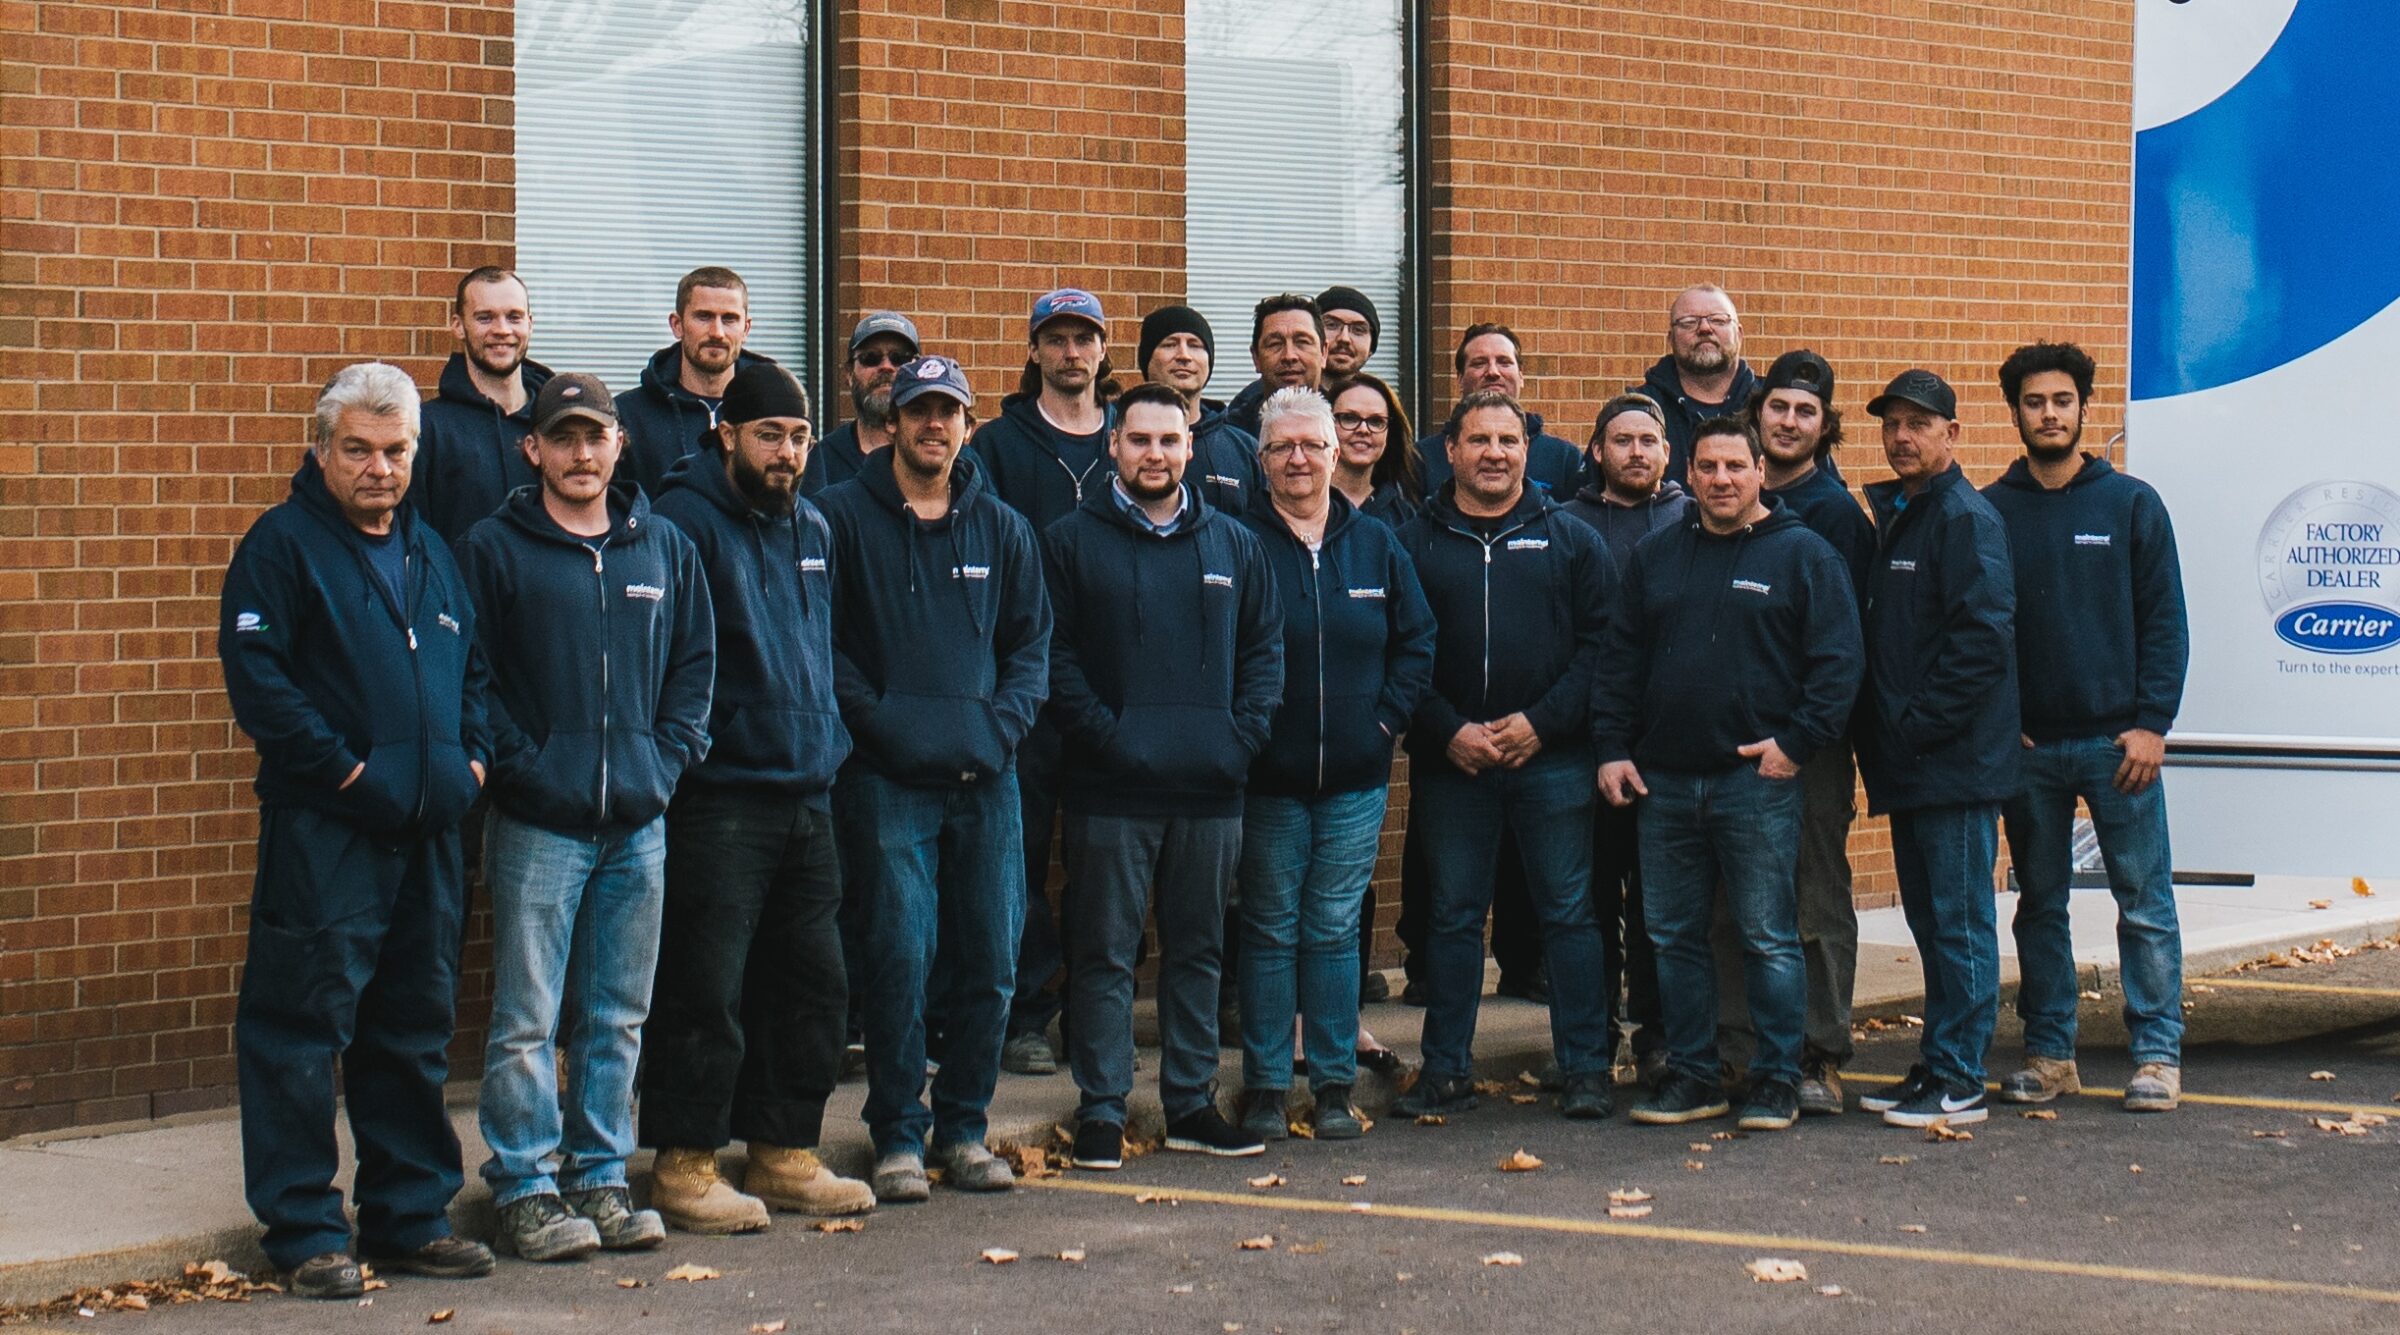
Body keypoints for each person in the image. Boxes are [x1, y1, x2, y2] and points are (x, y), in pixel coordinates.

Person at [219, 362, 495, 1298]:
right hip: (325, 832)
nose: (380, 468)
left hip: (429, 834)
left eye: (396, 450)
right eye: (360, 451)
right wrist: (346, 769)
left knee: (412, 1028)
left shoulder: (432, 553)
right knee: (300, 1029)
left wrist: (474, 764)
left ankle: (409, 1215)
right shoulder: (280, 547)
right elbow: (262, 684)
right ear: (321, 449)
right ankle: (302, 1230)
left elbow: (477, 676)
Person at [457, 373, 714, 1261]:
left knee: (617, 1012)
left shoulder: (663, 548)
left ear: (618, 444)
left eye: (593, 436)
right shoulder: (494, 548)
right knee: (528, 1015)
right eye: (559, 438)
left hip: (638, 820)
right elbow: (473, 677)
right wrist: (523, 770)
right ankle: (525, 1186)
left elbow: (694, 666)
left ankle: (601, 1175)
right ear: (532, 449)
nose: (579, 454)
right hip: (540, 823)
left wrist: (668, 757)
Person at [816, 354, 1054, 1200]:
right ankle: (897, 1137)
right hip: (886, 781)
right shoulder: (839, 518)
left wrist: (1001, 729)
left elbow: (1031, 649)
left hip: (987, 777)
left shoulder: (1004, 528)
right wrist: (880, 725)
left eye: (949, 412)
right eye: (919, 411)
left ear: (966, 423)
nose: (934, 426)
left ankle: (964, 1127)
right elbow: (828, 649)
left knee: (990, 957)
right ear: (894, 420)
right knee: (898, 958)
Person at [643, 362, 874, 1229]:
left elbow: (825, 645)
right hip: (721, 796)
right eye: (769, 434)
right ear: (726, 435)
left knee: (812, 985)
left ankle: (784, 1151)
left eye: (800, 435)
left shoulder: (813, 524)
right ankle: (685, 1163)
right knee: (705, 988)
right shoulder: (681, 524)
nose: (786, 451)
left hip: (809, 786)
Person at [1595, 417, 1863, 1131]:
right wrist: (1614, 747)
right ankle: (1694, 1073)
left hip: (1758, 784)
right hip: (1666, 784)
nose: (1721, 480)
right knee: (1674, 936)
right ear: (1691, 470)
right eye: (1708, 467)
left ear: (1760, 472)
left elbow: (1839, 663)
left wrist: (1797, 744)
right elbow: (1620, 660)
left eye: (1735, 467)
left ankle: (1777, 1076)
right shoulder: (1657, 555)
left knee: (1767, 935)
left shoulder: (1804, 553)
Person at [1043, 382, 1285, 1168]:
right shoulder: (1070, 540)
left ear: (1191, 447)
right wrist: (1110, 739)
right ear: (1113, 445)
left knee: (1198, 950)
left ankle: (1189, 1103)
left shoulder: (1235, 544)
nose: (1155, 454)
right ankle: (1103, 1108)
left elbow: (1263, 656)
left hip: (1211, 787)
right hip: (1110, 788)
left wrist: (1239, 740)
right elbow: (1056, 657)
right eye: (1139, 440)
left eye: (1169, 441)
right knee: (1106, 952)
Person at [1390, 389, 1618, 1122]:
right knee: (1453, 918)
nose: (1494, 452)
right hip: (1452, 761)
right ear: (1448, 451)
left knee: (1569, 915)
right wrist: (1444, 727)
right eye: (1479, 439)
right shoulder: (1413, 543)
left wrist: (1542, 723)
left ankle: (1586, 1067)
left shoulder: (1572, 537)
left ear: (1528, 450)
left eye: (1508, 440)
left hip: (1550, 759)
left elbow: (1604, 648)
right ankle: (1445, 1068)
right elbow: (1397, 653)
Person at [1983, 341, 2190, 1113]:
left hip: (2118, 748)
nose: (2048, 414)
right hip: (2029, 750)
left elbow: (2164, 621)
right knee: (2040, 904)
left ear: (2082, 409)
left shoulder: (2132, 505)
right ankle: (2050, 1052)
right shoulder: (1990, 510)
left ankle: (2158, 1054)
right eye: (2034, 402)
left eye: (2061, 401)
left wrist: (2151, 724)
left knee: (2143, 901)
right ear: (2016, 413)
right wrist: (2004, 722)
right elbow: (1979, 633)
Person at [1233, 387, 1436, 1143]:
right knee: (1269, 926)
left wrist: (1383, 721)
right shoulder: (1237, 540)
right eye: (1282, 447)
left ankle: (1330, 1085)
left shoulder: (1376, 542)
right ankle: (1262, 1084)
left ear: (1334, 453)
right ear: (1262, 460)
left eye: (1312, 446)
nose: (1298, 458)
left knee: (1330, 926)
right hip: (1267, 779)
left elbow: (1416, 641)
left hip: (1355, 777)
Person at [1852, 369, 2019, 1130]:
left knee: (1958, 922)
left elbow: (1980, 642)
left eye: (1919, 423)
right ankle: (1938, 1062)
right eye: (1892, 423)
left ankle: (1961, 1077)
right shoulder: (1906, 514)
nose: (1901, 436)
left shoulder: (1962, 518)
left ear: (1953, 434)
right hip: (1915, 763)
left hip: (1951, 765)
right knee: (1931, 923)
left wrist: (1913, 726)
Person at [1719, 348, 1876, 1114]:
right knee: (1734, 899)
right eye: (1777, 407)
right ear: (1757, 415)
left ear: (1825, 426)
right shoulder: (1718, 498)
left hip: (1810, 743)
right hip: (1729, 740)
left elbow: (1847, 649)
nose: (1788, 421)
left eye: (1805, 411)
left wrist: (1806, 734)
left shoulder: (1837, 515)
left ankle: (1822, 1050)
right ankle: (1740, 1047)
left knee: (1812, 895)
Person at [970, 286, 1116, 1077]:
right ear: (1034, 350)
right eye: (1055, 338)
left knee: (1100, 866)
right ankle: (1026, 1012)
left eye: (1082, 338)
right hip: (1022, 692)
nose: (1070, 352)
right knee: (1015, 863)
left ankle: (1089, 1014)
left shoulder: (1132, 439)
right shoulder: (996, 446)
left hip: (1109, 694)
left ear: (1103, 348)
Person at [1559, 391, 1687, 1082]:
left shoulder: (1695, 520)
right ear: (1598, 450)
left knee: (1661, 905)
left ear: (1668, 452)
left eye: (1648, 440)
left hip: (1668, 745)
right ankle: (1594, 1032)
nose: (1636, 451)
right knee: (1589, 899)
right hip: (1584, 743)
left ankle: (1660, 1034)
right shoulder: (1566, 523)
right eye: (1622, 440)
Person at [412, 267, 551, 545]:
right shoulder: (426, 428)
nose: (502, 330)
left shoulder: (556, 423)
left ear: (530, 324)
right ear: (458, 325)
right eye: (485, 318)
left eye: (514, 317)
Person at [615, 266, 774, 494]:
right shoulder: (629, 416)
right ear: (677, 325)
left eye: (729, 319)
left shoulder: (775, 412)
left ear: (746, 328)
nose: (717, 332)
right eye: (704, 317)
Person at [1413, 324, 1584, 499]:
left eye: (1504, 362)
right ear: (1460, 379)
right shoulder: (1421, 460)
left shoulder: (1564, 459)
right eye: (1479, 363)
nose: (1493, 372)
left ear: (1521, 376)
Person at [1138, 303, 1266, 514]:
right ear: (1147, 358)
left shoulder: (1244, 451)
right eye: (1170, 344)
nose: (1184, 356)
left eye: (1195, 345)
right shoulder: (1121, 439)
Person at [1634, 284, 1758, 483]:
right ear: (1670, 339)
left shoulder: (1773, 409)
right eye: (1688, 322)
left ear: (1740, 334)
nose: (1705, 328)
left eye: (1718, 320)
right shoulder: (1638, 410)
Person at [804, 311, 918, 496]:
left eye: (899, 359)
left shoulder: (944, 459)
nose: (886, 367)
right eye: (870, 358)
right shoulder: (822, 461)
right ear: (848, 374)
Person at [1322, 371, 1422, 528]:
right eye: (1349, 418)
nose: (1363, 429)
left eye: (1376, 421)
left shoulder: (1404, 517)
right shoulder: (1305, 502)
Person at [1223, 293, 1327, 438]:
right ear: (1256, 358)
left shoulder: (1351, 426)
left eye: (1302, 342)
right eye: (1275, 344)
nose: (1289, 356)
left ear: (1324, 353)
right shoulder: (1232, 439)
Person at [1317, 285, 1381, 378]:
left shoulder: (1381, 393)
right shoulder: (1290, 391)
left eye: (1358, 330)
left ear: (1371, 348)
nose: (1344, 338)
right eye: (1331, 325)